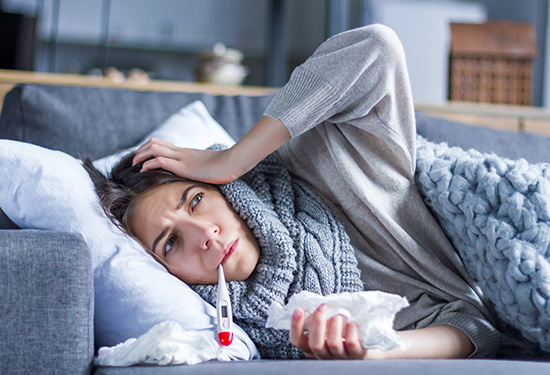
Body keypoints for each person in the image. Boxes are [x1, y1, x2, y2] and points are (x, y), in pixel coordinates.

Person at [85, 24, 505, 360]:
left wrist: (232, 159)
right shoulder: (246, 330)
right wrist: (374, 354)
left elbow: (377, 47)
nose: (204, 235)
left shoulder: (318, 160)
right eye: (172, 242)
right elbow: (476, 325)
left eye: (196, 200)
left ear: (221, 187)